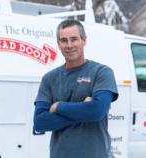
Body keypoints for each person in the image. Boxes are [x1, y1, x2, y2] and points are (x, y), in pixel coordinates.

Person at [33, 19, 119, 158]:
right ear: (58, 44)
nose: (69, 45)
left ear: (84, 40)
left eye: (74, 39)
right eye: (64, 40)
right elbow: (40, 122)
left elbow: (97, 111)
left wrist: (59, 106)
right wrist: (84, 110)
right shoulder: (49, 78)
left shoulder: (102, 72)